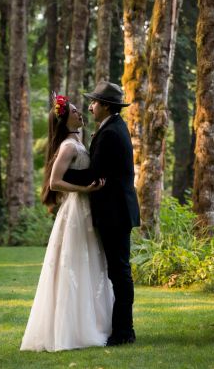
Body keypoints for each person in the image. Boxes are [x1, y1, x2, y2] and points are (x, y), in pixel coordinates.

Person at [20, 94, 112, 352]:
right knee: (75, 262)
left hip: (85, 207)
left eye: (79, 110)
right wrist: (85, 190)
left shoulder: (77, 141)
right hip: (75, 210)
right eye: (74, 111)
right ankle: (72, 329)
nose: (80, 113)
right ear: (64, 118)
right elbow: (54, 182)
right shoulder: (68, 147)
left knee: (90, 261)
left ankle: (93, 321)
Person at [64, 80, 141, 346]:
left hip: (115, 212)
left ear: (106, 106)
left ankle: (124, 332)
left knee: (119, 272)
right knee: (118, 272)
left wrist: (60, 174)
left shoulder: (110, 133)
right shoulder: (112, 127)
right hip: (116, 210)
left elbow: (94, 173)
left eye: (95, 102)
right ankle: (121, 328)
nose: (91, 106)